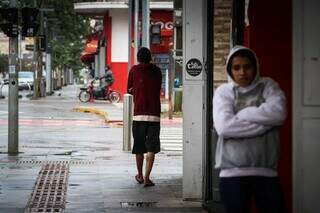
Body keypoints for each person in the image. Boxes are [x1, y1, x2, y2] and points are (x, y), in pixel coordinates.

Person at [213, 45, 287, 213]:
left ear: (255, 67)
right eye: (236, 67)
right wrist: (264, 124)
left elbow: (279, 113)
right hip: (231, 173)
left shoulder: (268, 86)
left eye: (247, 66)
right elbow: (224, 127)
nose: (242, 72)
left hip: (266, 172)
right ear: (230, 70)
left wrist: (242, 114)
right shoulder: (224, 92)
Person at [127, 47, 162, 187]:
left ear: (138, 58)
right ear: (150, 57)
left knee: (139, 146)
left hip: (139, 115)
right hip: (154, 115)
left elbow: (128, 90)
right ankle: (147, 178)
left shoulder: (134, 70)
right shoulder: (157, 71)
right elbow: (158, 87)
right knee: (151, 147)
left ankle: (140, 175)